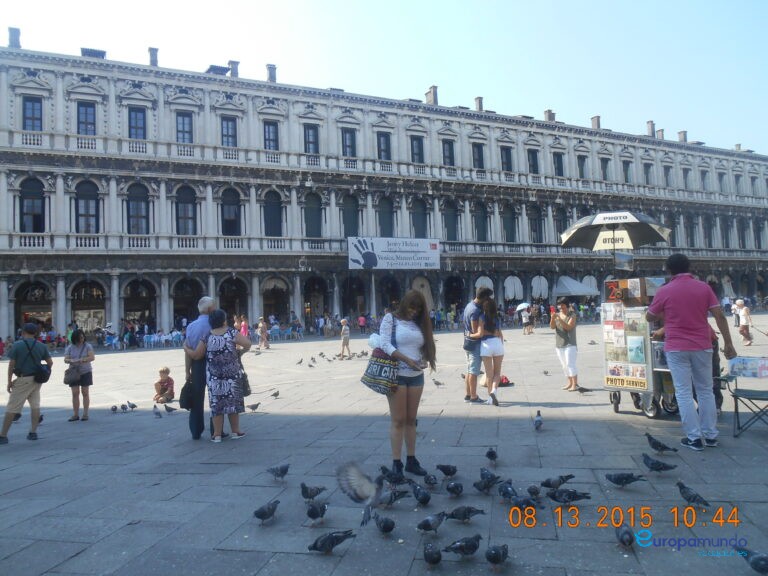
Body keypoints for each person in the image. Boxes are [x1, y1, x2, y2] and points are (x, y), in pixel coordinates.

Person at [646, 253, 736, 451]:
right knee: (705, 390)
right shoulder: (704, 288)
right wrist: (729, 343)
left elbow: (649, 316)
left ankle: (694, 438)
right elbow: (719, 315)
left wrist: (667, 310)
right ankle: (711, 435)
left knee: (684, 391)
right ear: (690, 267)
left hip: (677, 347)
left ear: (669, 270)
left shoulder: (665, 290)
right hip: (702, 345)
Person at [379, 290, 436, 477]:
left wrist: (423, 359)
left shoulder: (419, 322)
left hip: (416, 376)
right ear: (404, 304)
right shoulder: (390, 319)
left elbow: (421, 346)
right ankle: (397, 464)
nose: (415, 311)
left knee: (412, 420)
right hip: (397, 375)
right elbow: (385, 344)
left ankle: (411, 460)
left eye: (419, 309)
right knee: (398, 420)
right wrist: (407, 360)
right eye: (412, 307)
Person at [185, 309, 251, 442]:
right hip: (232, 374)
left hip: (214, 376)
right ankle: (236, 431)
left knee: (216, 404)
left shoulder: (207, 337)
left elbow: (197, 355)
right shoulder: (232, 332)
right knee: (232, 403)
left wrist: (186, 348)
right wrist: (239, 353)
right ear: (224, 320)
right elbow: (248, 344)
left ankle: (216, 435)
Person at [0, 323, 53, 444]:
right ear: (35, 333)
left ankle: (3, 435)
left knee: (12, 407)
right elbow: (50, 362)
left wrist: (9, 381)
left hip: (23, 379)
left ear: (23, 332)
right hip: (37, 380)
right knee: (35, 405)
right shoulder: (41, 346)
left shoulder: (17, 345)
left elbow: (11, 365)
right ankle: (33, 432)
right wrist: (42, 371)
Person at [184, 296, 216, 440]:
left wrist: (187, 371)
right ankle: (216, 430)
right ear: (210, 310)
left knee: (197, 398)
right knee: (215, 397)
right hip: (214, 364)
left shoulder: (191, 326)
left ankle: (196, 431)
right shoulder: (215, 324)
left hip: (197, 365)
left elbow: (187, 351)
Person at [470, 296, 504, 406]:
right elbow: (499, 333)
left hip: (486, 345)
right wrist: (500, 344)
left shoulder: (482, 317)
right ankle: (494, 391)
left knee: (489, 374)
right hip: (497, 344)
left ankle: (490, 398)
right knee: (497, 373)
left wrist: (469, 334)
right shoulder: (497, 317)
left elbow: (480, 334)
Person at [463, 287, 493, 404]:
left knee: (469, 370)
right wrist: (491, 332)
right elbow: (476, 332)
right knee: (474, 371)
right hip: (474, 344)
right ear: (484, 297)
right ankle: (474, 397)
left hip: (468, 342)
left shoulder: (469, 305)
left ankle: (468, 394)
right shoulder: (475, 310)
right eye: (488, 297)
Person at [64, 329, 96, 421]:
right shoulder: (70, 347)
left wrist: (83, 360)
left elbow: (92, 357)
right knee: (75, 393)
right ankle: (75, 414)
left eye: (83, 337)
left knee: (85, 393)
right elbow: (66, 359)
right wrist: (71, 360)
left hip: (86, 371)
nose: (82, 339)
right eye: (80, 337)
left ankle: (85, 414)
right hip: (74, 372)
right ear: (75, 338)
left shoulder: (87, 346)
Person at [550, 297, 579, 391]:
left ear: (566, 305)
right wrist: (552, 318)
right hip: (559, 343)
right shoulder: (557, 314)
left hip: (570, 343)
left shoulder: (572, 315)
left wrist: (559, 318)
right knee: (564, 365)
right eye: (559, 305)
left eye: (562, 305)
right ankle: (569, 382)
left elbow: (568, 327)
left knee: (570, 364)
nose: (560, 307)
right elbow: (552, 327)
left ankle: (574, 384)